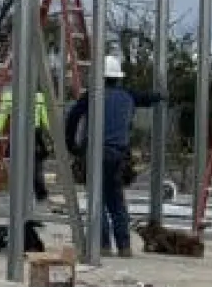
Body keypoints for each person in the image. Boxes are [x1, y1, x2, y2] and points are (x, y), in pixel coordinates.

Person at [64, 56, 163, 258]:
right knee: (116, 200)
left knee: (97, 200)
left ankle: (103, 245)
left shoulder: (91, 96)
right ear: (117, 78)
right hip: (119, 155)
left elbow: (72, 118)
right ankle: (124, 246)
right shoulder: (128, 95)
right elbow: (148, 97)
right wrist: (162, 95)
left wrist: (72, 146)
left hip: (95, 152)